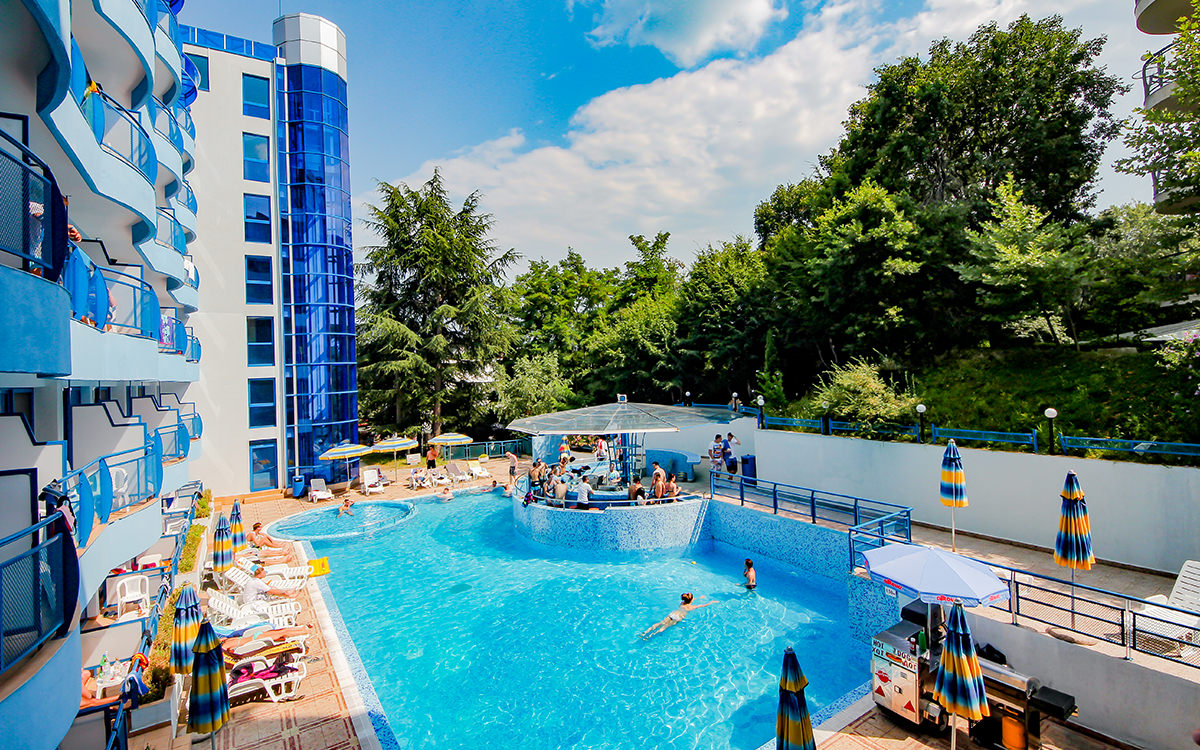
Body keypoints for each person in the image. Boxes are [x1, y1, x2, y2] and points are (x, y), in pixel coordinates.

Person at [641, 593, 715, 638]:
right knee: (664, 627)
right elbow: (703, 605)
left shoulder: (682, 603)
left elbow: (689, 600)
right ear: (691, 600)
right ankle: (650, 636)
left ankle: (645, 632)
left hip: (672, 614)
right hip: (678, 618)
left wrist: (698, 598)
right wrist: (712, 602)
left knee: (661, 623)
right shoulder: (691, 607)